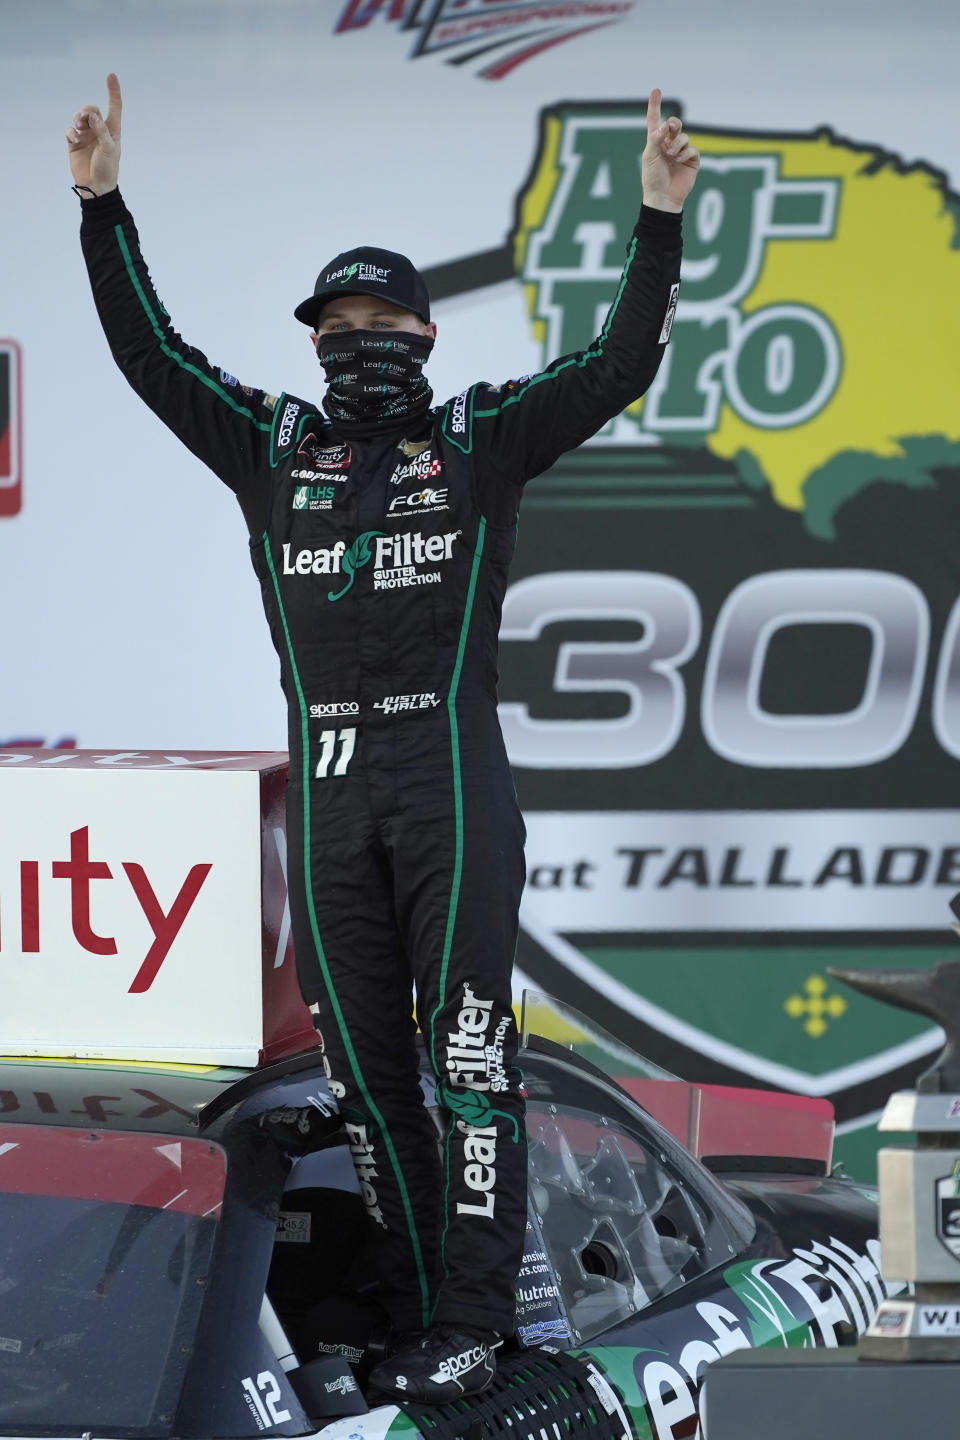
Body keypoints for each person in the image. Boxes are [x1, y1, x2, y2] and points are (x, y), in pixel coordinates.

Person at [66, 73, 699, 1403]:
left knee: (471, 1063)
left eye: (373, 317)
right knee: (368, 1085)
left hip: (451, 784)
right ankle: (426, 1316)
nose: (351, 337)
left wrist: (657, 224)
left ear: (418, 327)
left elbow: (619, 363)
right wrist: (101, 206)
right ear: (312, 344)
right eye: (332, 321)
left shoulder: (476, 439)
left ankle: (484, 1320)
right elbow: (150, 360)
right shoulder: (273, 448)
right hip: (336, 797)